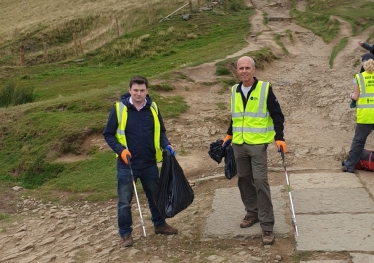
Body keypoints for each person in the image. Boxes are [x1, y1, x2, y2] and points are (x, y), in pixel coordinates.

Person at [103, 75, 178, 247]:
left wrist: (166, 145)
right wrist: (121, 151)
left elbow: (161, 132)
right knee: (124, 202)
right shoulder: (119, 109)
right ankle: (125, 234)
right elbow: (108, 134)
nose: (138, 93)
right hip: (127, 164)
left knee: (155, 196)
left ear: (147, 91)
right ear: (129, 90)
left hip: (149, 162)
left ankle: (160, 224)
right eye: (135, 90)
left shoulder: (153, 108)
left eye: (142, 90)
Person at [221, 56, 286, 245]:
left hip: (258, 145)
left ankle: (267, 225)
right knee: (243, 179)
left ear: (253, 70)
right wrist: (229, 134)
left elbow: (277, 114)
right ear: (237, 70)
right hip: (239, 144)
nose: (244, 71)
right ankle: (252, 213)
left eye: (247, 68)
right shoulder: (234, 90)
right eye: (240, 68)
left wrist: (279, 137)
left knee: (260, 181)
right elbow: (236, 116)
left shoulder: (265, 89)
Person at [342, 59, 374, 173]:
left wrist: (351, 95)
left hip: (366, 114)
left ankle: (350, 165)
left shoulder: (359, 77)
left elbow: (356, 97)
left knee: (359, 141)